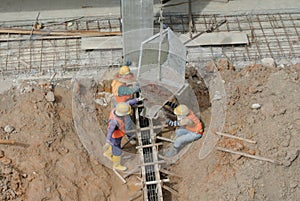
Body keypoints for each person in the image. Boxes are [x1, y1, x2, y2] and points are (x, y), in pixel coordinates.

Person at [103, 98, 141, 171]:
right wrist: (107, 141)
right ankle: (116, 165)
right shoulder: (114, 122)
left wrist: (137, 99)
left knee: (114, 145)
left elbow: (128, 102)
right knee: (117, 151)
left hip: (119, 134)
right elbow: (110, 131)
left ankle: (107, 153)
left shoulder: (119, 108)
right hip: (115, 137)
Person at [111, 65, 140, 144]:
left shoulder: (117, 81)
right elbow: (131, 91)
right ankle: (130, 136)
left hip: (120, 101)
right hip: (121, 106)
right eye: (127, 75)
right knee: (128, 123)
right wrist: (138, 86)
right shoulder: (120, 88)